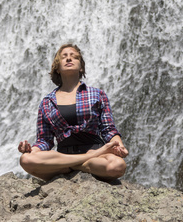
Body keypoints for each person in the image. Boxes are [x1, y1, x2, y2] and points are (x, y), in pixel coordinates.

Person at [18, 44, 128, 181]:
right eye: (64, 57)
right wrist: (30, 149)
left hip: (94, 154)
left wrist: (119, 145)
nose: (69, 59)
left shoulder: (97, 94)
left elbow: (108, 129)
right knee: (26, 159)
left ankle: (73, 166)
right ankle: (81, 162)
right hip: (63, 156)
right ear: (57, 68)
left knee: (117, 165)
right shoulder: (47, 102)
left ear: (81, 66)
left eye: (74, 57)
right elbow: (44, 140)